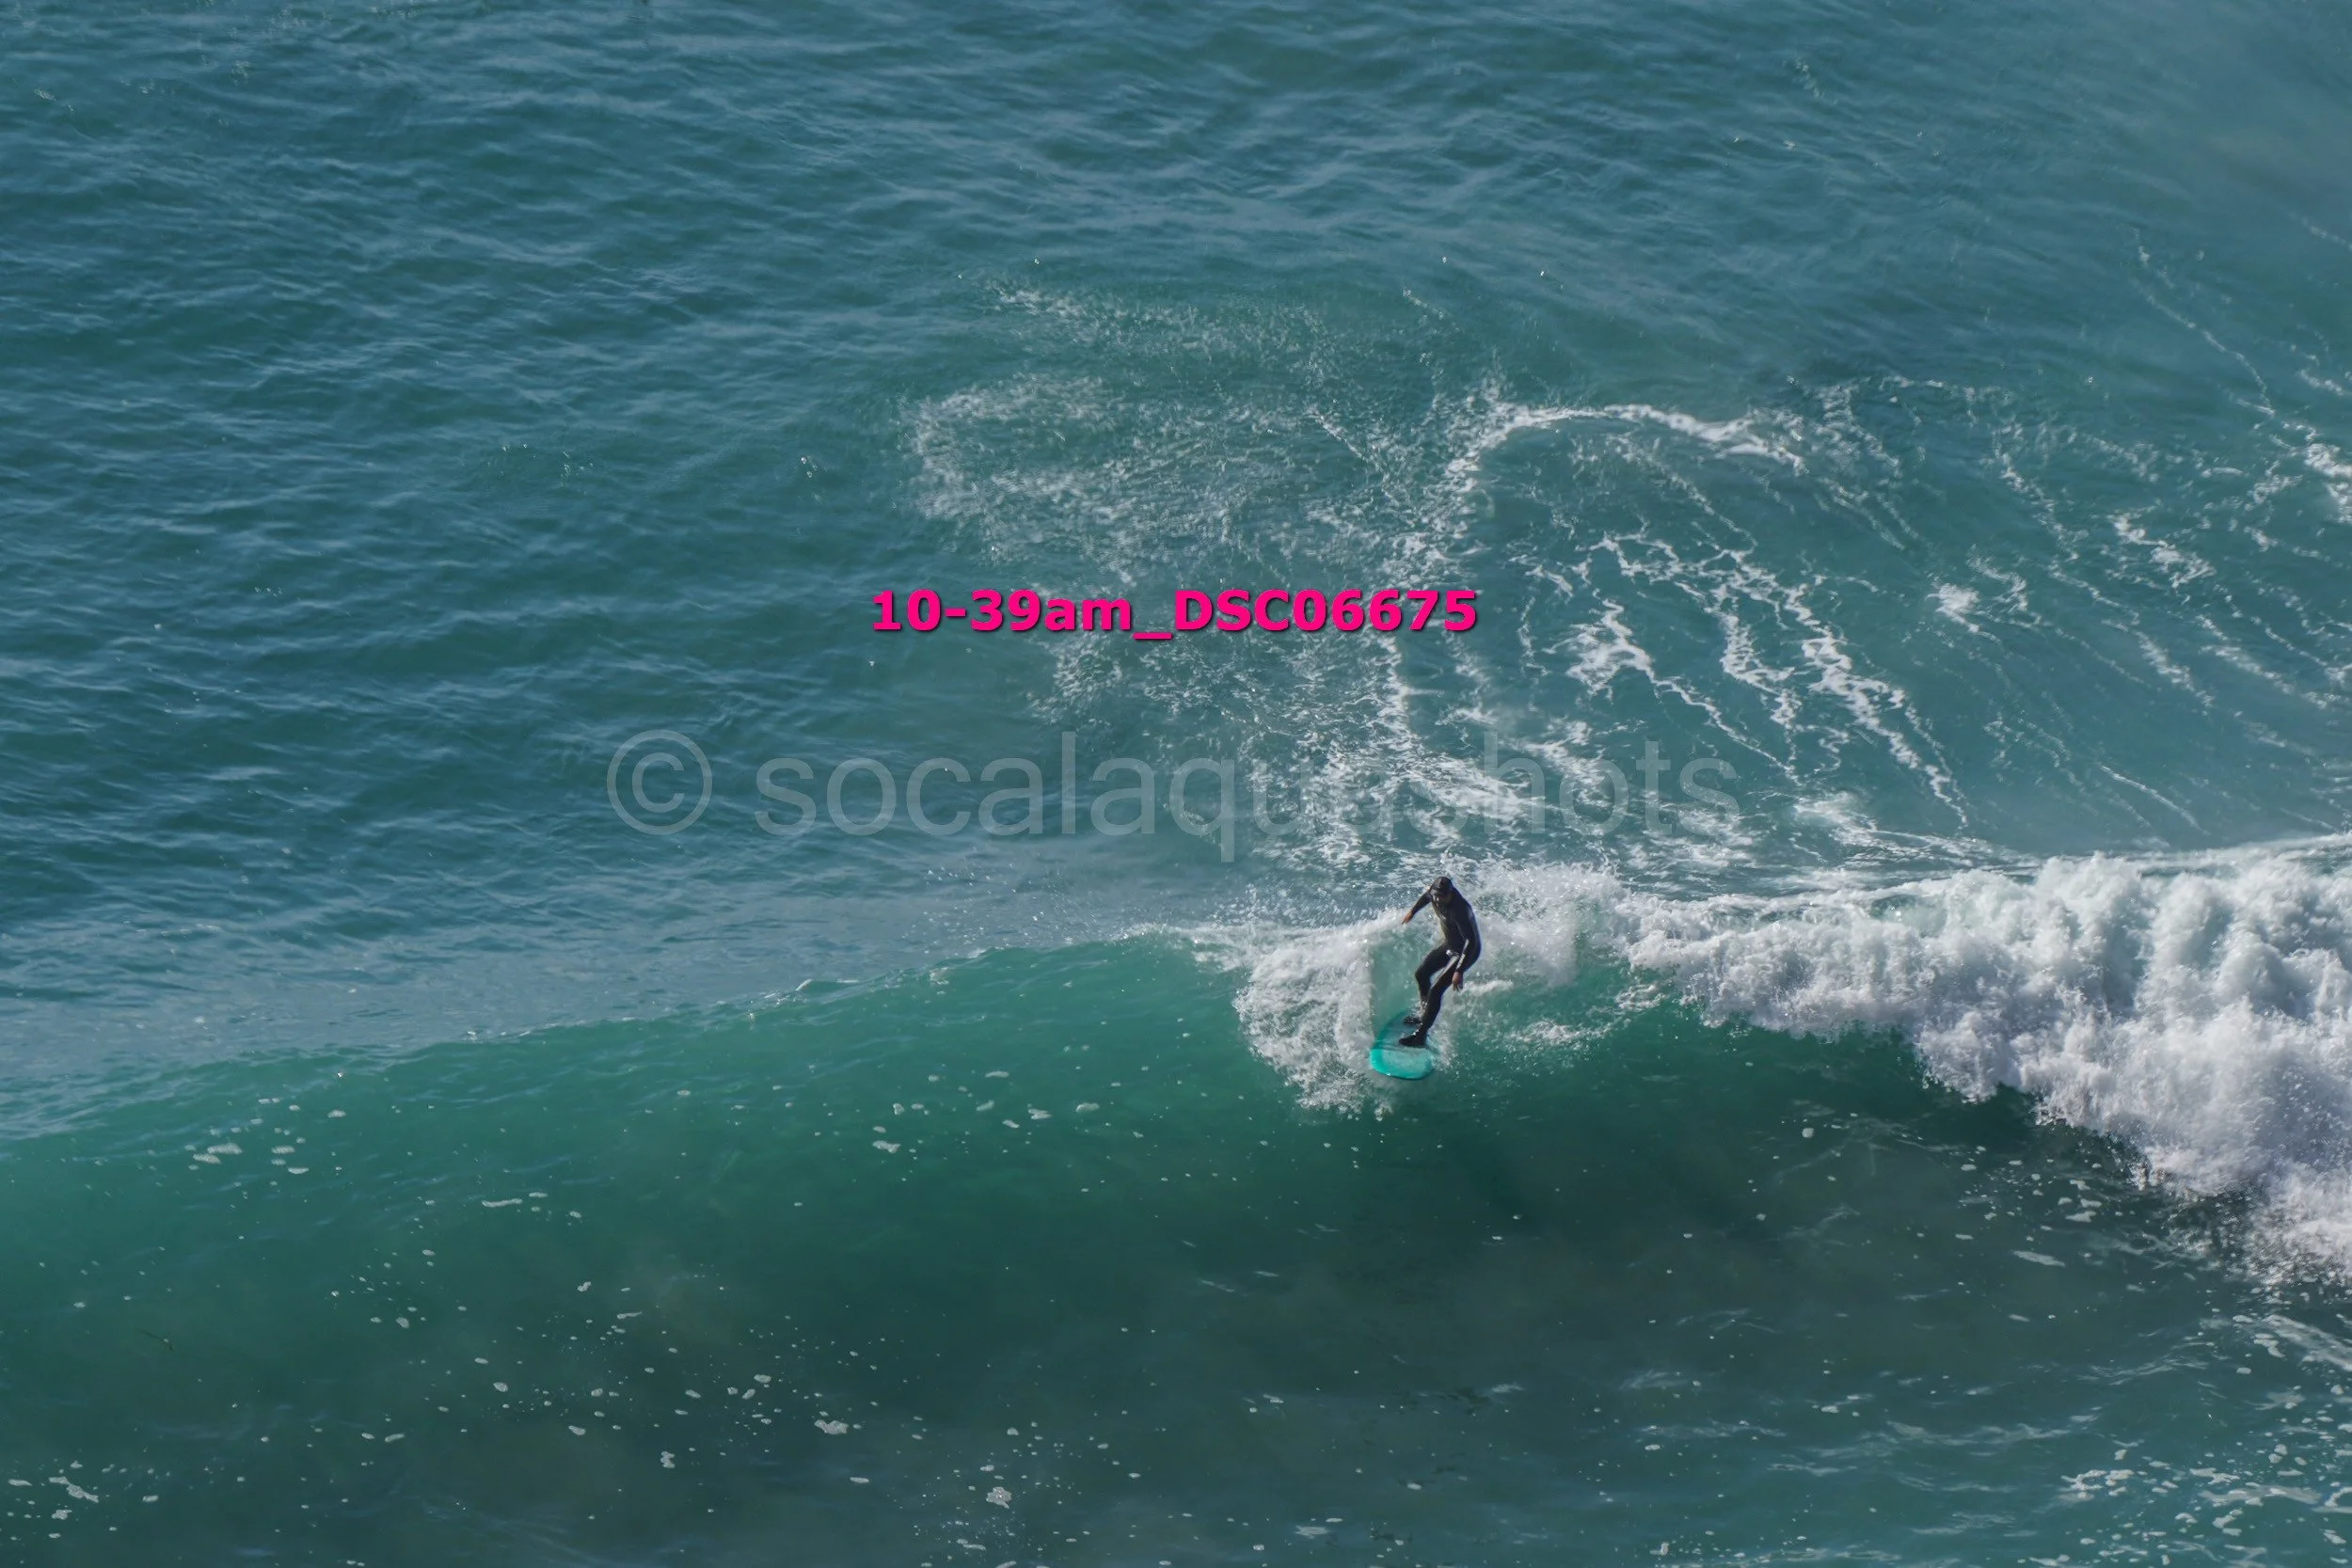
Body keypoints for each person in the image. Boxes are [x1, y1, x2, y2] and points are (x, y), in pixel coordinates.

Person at [1399, 874, 1480, 1047]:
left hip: (1465, 952)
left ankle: (1420, 1037)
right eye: (1436, 895)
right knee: (1421, 974)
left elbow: (1470, 941)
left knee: (1436, 990)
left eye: (1442, 896)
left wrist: (1459, 970)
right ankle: (1424, 1015)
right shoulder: (1435, 894)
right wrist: (1412, 911)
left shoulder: (1460, 909)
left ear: (1450, 893)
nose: (1438, 899)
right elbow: (1426, 896)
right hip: (1450, 945)